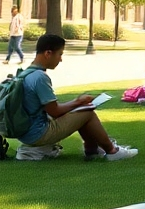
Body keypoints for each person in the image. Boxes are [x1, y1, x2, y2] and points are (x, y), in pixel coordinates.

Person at [12, 33, 137, 161]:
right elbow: (55, 111)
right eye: (60, 54)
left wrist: (77, 104)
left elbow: (50, 108)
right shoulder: (40, 77)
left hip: (27, 132)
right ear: (48, 53)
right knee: (87, 113)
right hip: (38, 133)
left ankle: (92, 150)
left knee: (80, 111)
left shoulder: (26, 73)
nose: (60, 59)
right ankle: (112, 151)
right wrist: (78, 103)